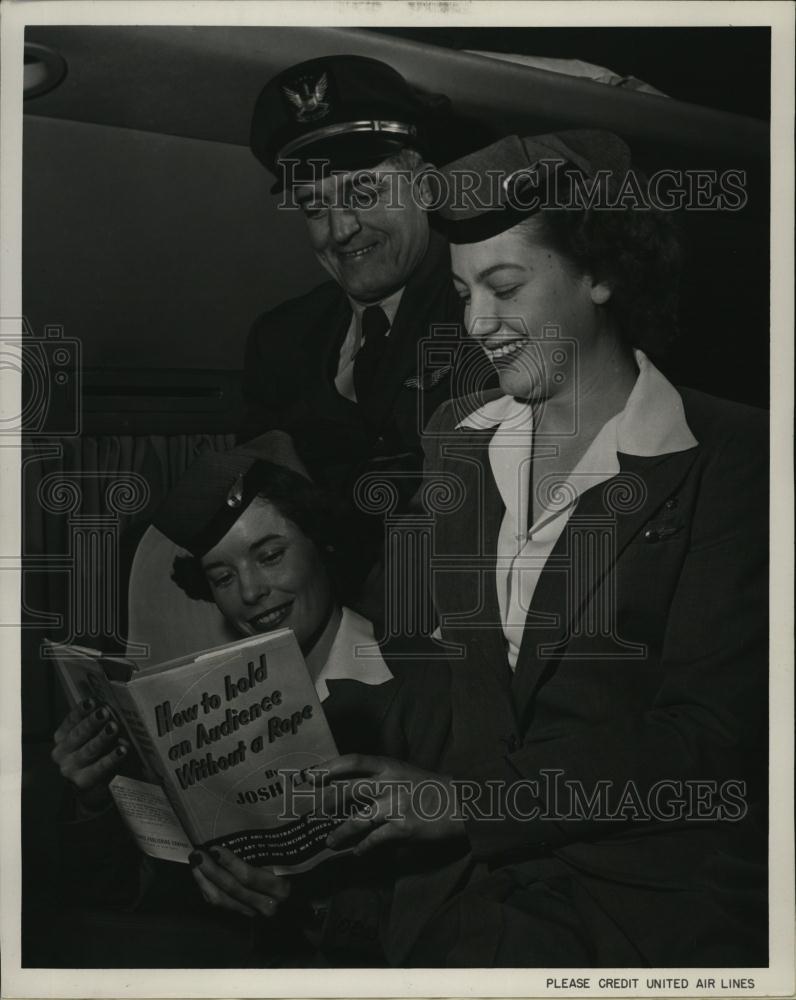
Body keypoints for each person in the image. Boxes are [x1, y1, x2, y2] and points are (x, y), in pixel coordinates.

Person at [311, 131, 768, 967]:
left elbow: (708, 739)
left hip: (646, 914)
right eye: (459, 292)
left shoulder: (736, 455)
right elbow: (424, 677)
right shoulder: (457, 439)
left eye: (504, 286)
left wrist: (471, 803)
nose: (477, 324)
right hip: (462, 894)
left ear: (602, 274)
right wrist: (278, 755)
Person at [50, 432, 450, 967]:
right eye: (222, 576)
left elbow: (455, 902)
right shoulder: (198, 704)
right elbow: (129, 896)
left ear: (322, 543)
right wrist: (94, 797)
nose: (250, 591)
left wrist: (305, 910)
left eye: (270, 555)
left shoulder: (418, 680)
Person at [243, 55, 478, 600]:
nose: (340, 230)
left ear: (423, 186)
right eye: (314, 208)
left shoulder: (484, 311)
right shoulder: (279, 339)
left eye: (364, 193)